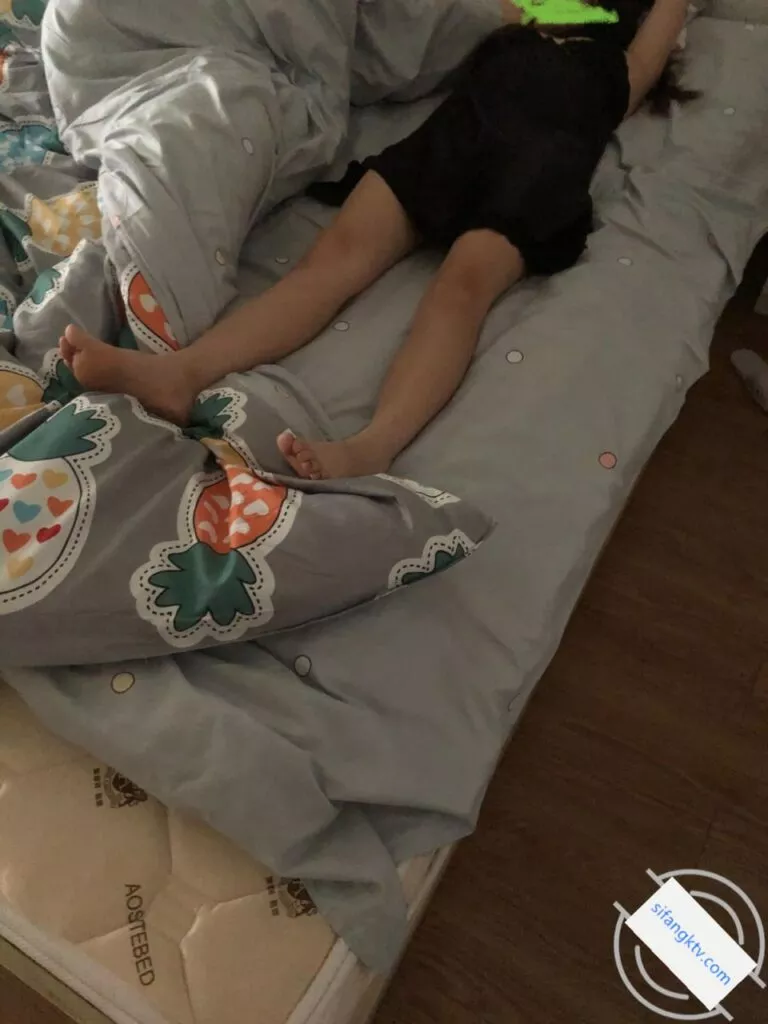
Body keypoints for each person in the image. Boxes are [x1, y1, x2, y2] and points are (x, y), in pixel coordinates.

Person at [60, 0, 695, 480]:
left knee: (461, 289)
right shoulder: (525, 18)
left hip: (538, 167)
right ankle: (179, 373)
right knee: (332, 258)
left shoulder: (620, 62)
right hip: (452, 143)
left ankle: (371, 447)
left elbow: (659, 32)